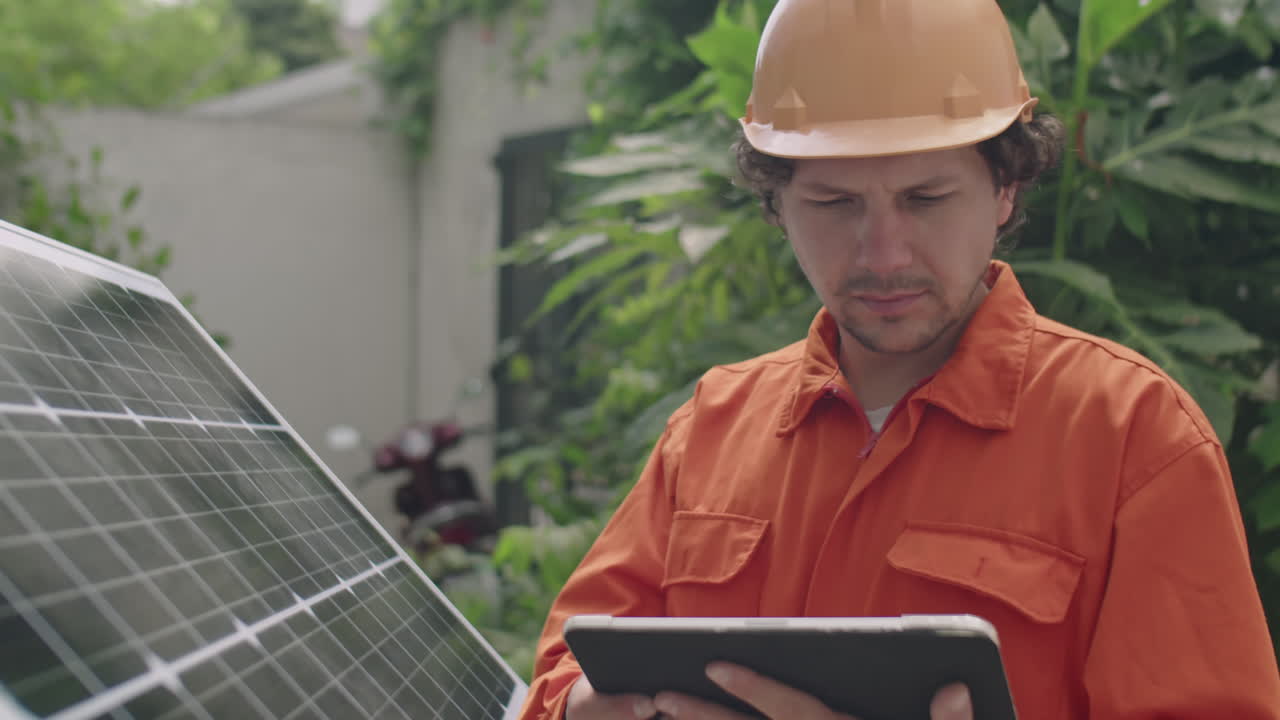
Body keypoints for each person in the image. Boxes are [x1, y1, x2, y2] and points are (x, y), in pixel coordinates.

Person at [518, 0, 1280, 718]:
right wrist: (588, 707)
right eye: (835, 204)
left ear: (1005, 188)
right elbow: (557, 676)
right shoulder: (713, 427)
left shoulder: (1134, 441)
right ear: (776, 203)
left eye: (925, 198)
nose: (883, 255)